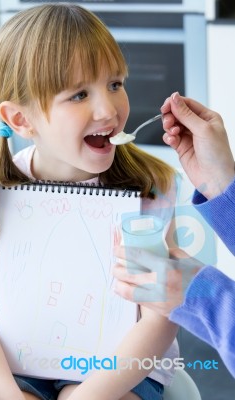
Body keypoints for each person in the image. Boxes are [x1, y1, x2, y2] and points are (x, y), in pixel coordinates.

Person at [0, 4, 180, 400]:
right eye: (79, 94)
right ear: (21, 120)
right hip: (18, 367)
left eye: (115, 84)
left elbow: (160, 316)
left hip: (120, 370)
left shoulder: (149, 187)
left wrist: (85, 396)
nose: (108, 110)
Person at [113, 92, 235, 377]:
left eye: (115, 84)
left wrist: (205, 297)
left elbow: (156, 324)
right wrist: (222, 184)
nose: (107, 109)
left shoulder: (155, 182)